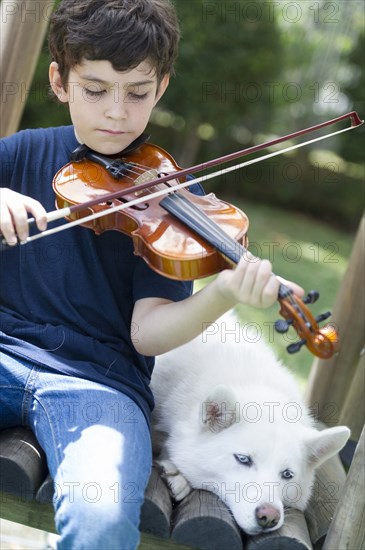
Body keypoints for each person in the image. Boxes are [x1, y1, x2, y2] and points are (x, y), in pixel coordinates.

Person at [0, 1, 303, 548]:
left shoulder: (174, 200)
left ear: (161, 87)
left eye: (136, 92)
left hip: (98, 387)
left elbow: (148, 332)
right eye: (95, 89)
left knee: (102, 520)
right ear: (59, 81)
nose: (116, 112)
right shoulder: (21, 154)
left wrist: (226, 292)